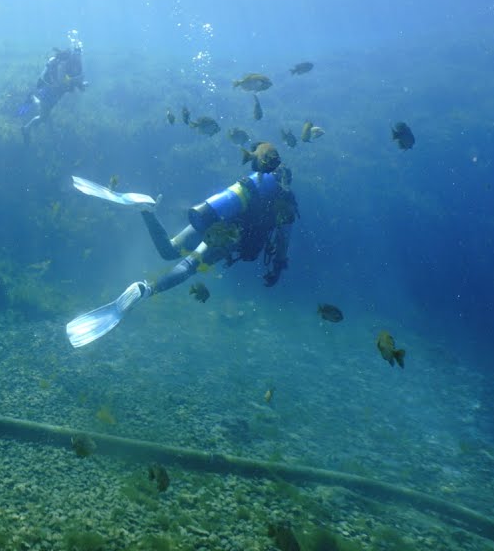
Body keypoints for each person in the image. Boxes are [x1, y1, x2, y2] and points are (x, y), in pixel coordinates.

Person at [65, 141, 298, 347]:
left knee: (169, 250)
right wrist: (278, 267)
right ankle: (147, 289)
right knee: (188, 266)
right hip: (228, 235)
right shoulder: (285, 201)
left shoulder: (253, 182)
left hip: (215, 214)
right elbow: (283, 240)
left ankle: (146, 209)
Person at [21, 34, 88, 142]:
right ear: (73, 53)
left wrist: (81, 83)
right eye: (77, 53)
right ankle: (32, 102)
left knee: (44, 116)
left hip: (57, 93)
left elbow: (70, 80)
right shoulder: (64, 63)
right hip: (51, 89)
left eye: (80, 54)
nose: (78, 56)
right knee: (43, 115)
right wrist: (77, 79)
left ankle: (27, 128)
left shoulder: (76, 64)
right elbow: (61, 81)